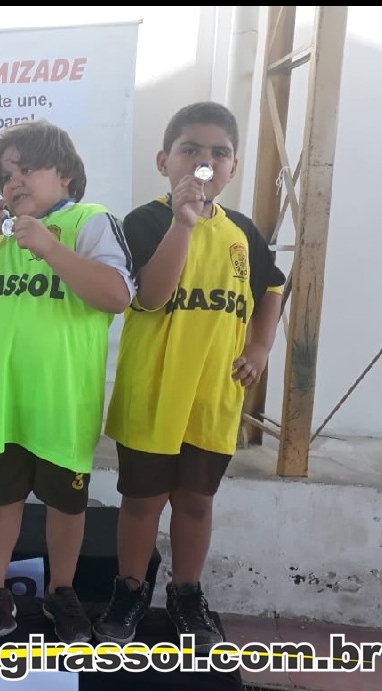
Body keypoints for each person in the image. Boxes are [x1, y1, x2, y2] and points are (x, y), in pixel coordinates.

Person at [94, 102, 285, 654]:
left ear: (233, 167)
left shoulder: (243, 232)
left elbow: (271, 288)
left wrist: (260, 347)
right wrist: (184, 221)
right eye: (191, 150)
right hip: (153, 393)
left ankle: (186, 593)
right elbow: (152, 297)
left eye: (218, 153)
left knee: (197, 502)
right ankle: (130, 592)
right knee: (142, 502)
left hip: (213, 397)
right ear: (164, 161)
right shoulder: (145, 221)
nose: (205, 162)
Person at [0, 120, 135, 644]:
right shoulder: (5, 233)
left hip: (63, 400)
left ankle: (62, 591)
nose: (13, 181)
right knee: (2, 497)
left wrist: (49, 248)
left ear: (65, 173)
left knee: (66, 504)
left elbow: (117, 294)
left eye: (27, 168)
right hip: (6, 397)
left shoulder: (90, 219)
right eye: (4, 174)